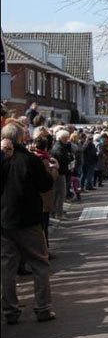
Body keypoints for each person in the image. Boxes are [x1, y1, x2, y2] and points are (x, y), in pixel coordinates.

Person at [1, 121, 56, 324]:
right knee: (39, 264)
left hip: (5, 220)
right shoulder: (30, 160)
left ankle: (10, 311)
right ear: (22, 138)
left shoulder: (3, 160)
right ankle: (42, 308)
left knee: (8, 266)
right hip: (29, 220)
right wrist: (52, 170)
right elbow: (45, 184)